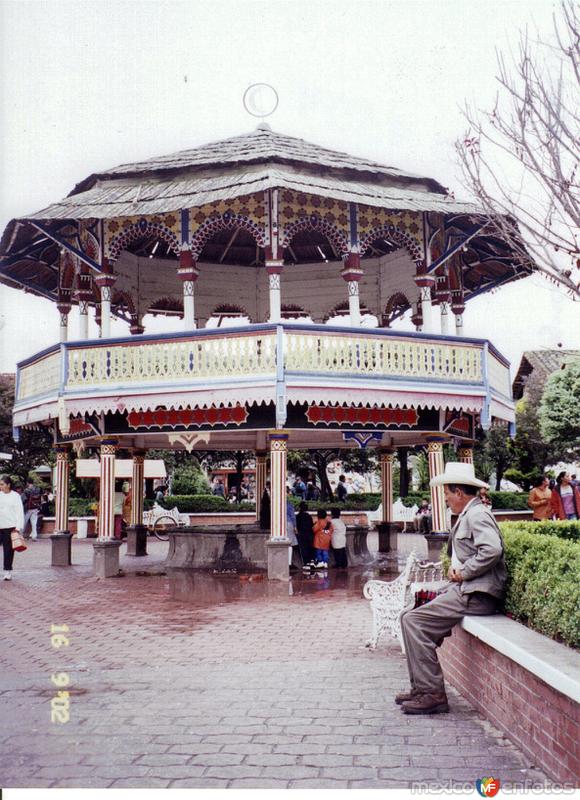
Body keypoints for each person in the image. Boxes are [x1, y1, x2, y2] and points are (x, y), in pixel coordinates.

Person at [397, 462, 506, 715]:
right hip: (467, 589)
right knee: (407, 618)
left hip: (476, 594)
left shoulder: (477, 514)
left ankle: (433, 694)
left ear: (459, 493)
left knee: (414, 621)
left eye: (447, 493)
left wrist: (465, 571)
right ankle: (422, 689)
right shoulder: (471, 513)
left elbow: (492, 550)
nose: (446, 499)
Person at [0, 475, 25, 580]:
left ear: (8, 485)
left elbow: (19, 513)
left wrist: (18, 528)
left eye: (2, 484)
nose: (0, 486)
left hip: (10, 527)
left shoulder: (15, 496)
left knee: (8, 550)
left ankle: (7, 571)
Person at [296, 501, 315, 568]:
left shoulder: (298, 516)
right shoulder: (308, 516)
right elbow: (311, 525)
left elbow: (297, 526)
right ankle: (312, 561)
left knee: (304, 548)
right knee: (310, 547)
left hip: (302, 534)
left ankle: (306, 563)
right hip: (309, 534)